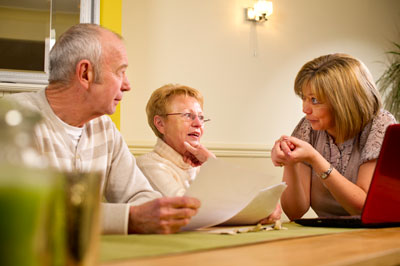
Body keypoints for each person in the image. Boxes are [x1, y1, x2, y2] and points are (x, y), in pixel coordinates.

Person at [6, 24, 200, 235]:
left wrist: (155, 213)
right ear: (86, 73)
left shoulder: (104, 128)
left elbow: (140, 195)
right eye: (121, 72)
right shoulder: (12, 119)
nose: (127, 85)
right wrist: (129, 218)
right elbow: (22, 214)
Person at [271, 53, 397, 220]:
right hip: (326, 234)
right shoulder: (308, 127)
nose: (305, 109)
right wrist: (290, 162)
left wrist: (316, 159)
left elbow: (364, 208)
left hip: (374, 233)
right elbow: (295, 212)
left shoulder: (380, 125)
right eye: (304, 98)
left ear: (343, 102)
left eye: (314, 100)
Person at [137, 84, 282, 224]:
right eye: (188, 115)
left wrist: (263, 205)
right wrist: (257, 209)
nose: (198, 124)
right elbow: (190, 210)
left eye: (201, 117)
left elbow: (230, 201)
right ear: (160, 124)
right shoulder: (148, 165)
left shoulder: (202, 163)